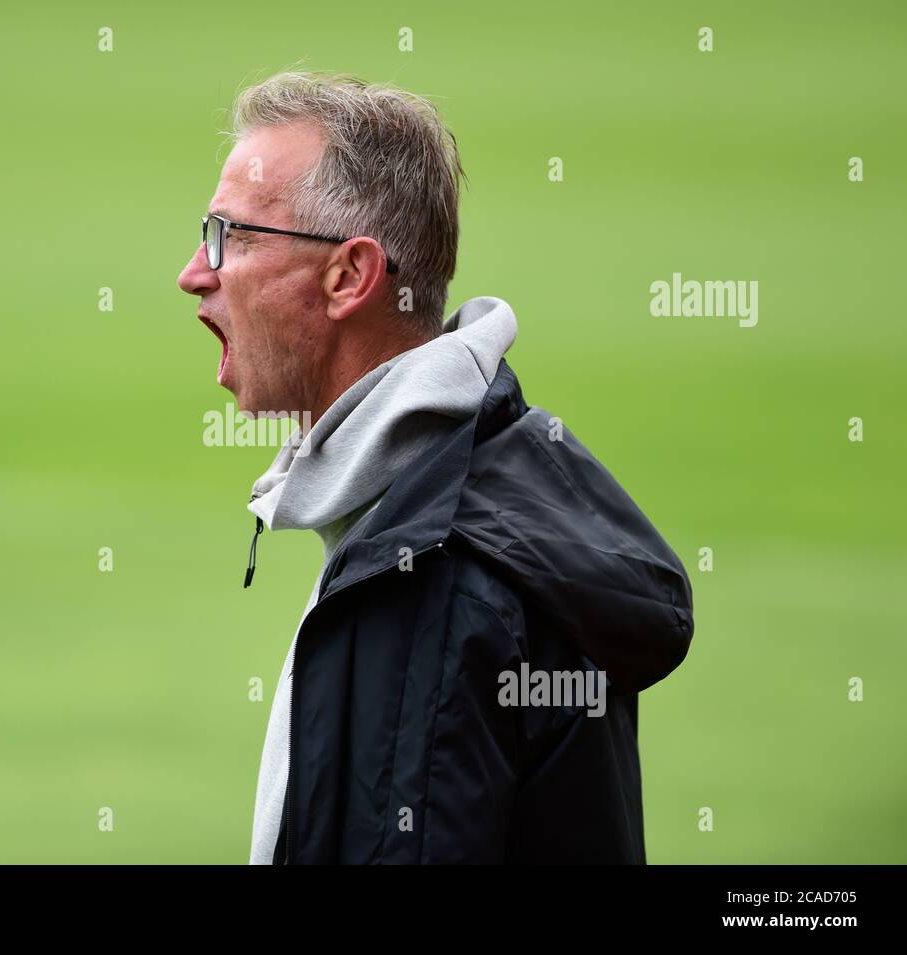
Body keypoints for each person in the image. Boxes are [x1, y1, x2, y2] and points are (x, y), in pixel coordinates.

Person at [176, 71, 694, 864]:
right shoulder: (457, 485)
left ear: (349, 275)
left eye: (232, 236)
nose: (195, 272)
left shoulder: (434, 579)